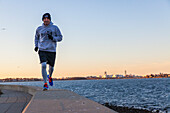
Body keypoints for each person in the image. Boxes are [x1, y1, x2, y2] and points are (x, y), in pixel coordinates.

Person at [34, 13, 63, 90]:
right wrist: (36, 46)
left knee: (51, 67)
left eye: (47, 18)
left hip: (51, 50)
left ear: (50, 19)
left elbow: (60, 38)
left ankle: (50, 76)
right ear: (42, 19)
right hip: (42, 49)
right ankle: (45, 83)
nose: (46, 20)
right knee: (43, 65)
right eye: (44, 18)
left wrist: (53, 38)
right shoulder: (39, 29)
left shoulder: (55, 28)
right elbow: (36, 38)